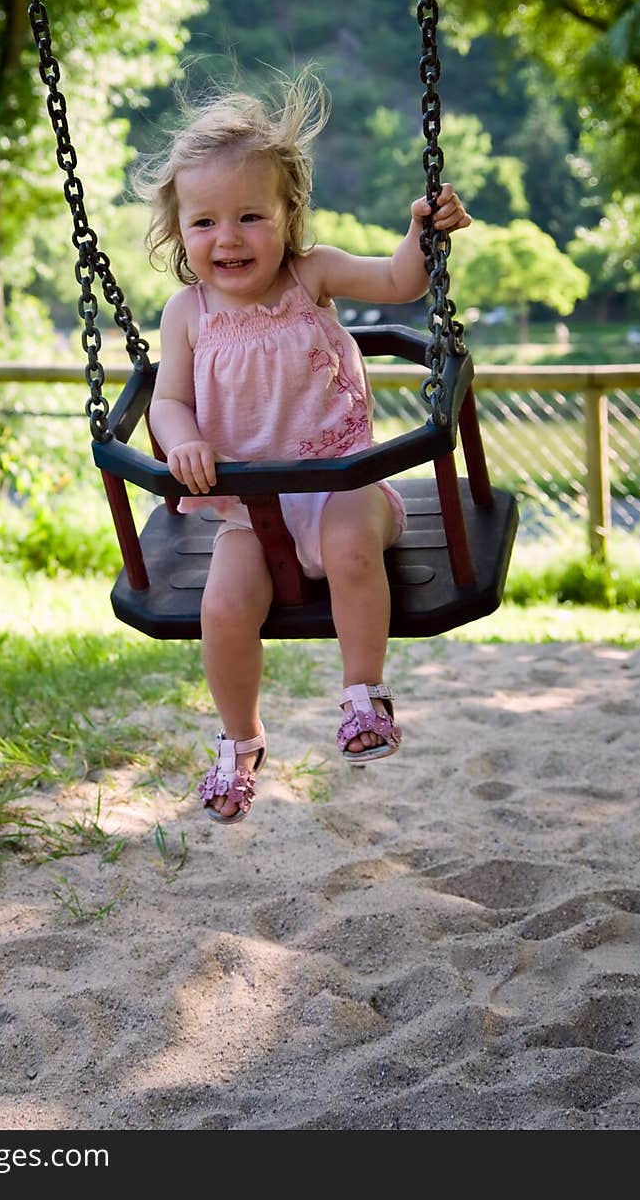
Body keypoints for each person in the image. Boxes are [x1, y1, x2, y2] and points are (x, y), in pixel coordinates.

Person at [135, 73, 471, 825]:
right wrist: (181, 437)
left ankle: (363, 695)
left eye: (252, 215)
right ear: (179, 230)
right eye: (205, 222)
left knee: (354, 548)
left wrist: (424, 230)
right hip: (250, 509)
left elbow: (396, 279)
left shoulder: (311, 274)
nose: (228, 237)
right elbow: (169, 398)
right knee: (222, 608)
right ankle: (240, 738)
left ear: (289, 216)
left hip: (340, 481)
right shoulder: (186, 312)